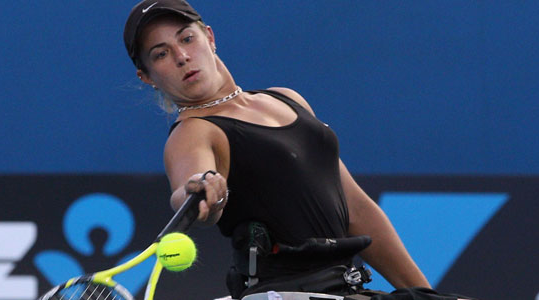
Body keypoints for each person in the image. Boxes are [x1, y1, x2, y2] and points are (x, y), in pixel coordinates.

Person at [123, 1, 463, 299]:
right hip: (286, 293)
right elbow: (189, 190)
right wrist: (200, 193)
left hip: (346, 286)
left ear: (209, 37)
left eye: (187, 38)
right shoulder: (192, 132)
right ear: (147, 76)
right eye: (161, 54)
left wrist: (426, 295)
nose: (182, 56)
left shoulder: (286, 99)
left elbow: (356, 210)